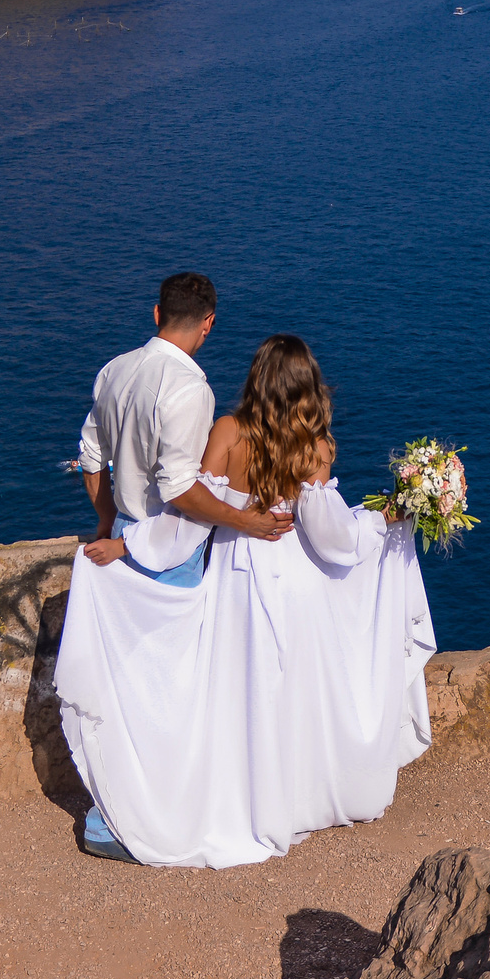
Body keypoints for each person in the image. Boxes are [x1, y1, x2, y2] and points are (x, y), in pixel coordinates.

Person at [54, 326, 433, 868]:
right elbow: (333, 538)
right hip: (298, 583)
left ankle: (250, 803)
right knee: (291, 692)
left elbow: (189, 514)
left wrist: (127, 544)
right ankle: (296, 800)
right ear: (309, 387)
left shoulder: (228, 432)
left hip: (237, 582)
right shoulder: (316, 445)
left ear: (257, 378)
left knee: (245, 693)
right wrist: (383, 521)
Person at [61, 273, 290, 862]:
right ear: (208, 323)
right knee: (168, 693)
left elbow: (91, 458)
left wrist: (110, 524)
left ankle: (108, 816)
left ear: (157, 311)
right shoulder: (191, 387)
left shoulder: (113, 370)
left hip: (124, 544)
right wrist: (245, 522)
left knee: (126, 690)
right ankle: (149, 821)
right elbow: (182, 491)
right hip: (170, 551)